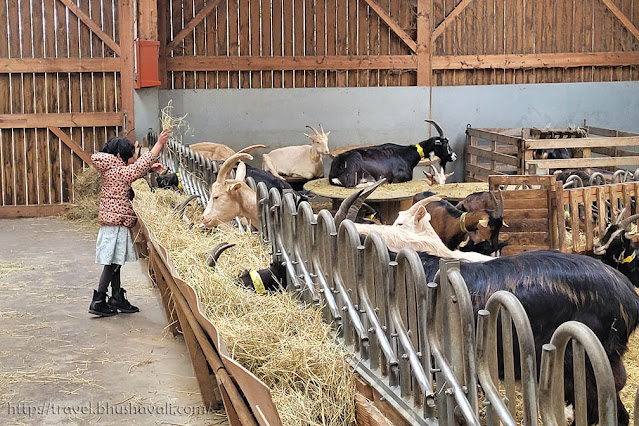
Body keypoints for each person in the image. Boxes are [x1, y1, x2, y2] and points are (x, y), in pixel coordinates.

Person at [89, 130, 169, 317]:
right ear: (118, 156)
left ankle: (116, 297)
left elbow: (130, 171)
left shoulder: (112, 169)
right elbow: (135, 169)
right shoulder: (118, 171)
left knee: (115, 261)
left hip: (113, 222)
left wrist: (150, 168)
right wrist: (159, 144)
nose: (130, 160)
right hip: (116, 223)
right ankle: (99, 300)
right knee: (111, 264)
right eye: (128, 157)